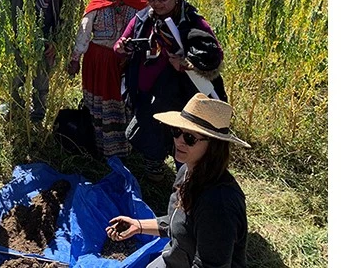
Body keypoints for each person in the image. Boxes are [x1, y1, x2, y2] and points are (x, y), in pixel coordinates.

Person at [114, 0, 226, 181]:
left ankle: (187, 178)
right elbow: (121, 42)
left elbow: (213, 56)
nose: (156, 2)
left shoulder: (193, 22)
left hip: (182, 98)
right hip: (148, 94)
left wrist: (187, 64)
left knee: (185, 137)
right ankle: (153, 166)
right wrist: (122, 47)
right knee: (150, 131)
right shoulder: (144, 17)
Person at [106, 93, 250, 268]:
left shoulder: (218, 204)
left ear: (213, 145)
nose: (179, 141)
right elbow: (180, 222)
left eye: (190, 138)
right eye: (177, 132)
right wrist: (138, 225)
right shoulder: (187, 171)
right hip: (175, 259)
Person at [67, 0, 147, 157]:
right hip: (98, 60)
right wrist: (76, 57)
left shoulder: (141, 4)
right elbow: (84, 30)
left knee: (123, 102)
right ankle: (97, 145)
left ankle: (123, 147)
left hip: (126, 62)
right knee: (99, 101)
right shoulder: (99, 1)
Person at [4, 0, 64, 123]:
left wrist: (55, 40)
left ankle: (38, 115)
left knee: (41, 80)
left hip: (47, 37)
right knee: (15, 77)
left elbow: (64, 10)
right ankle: (15, 110)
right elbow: (6, 1)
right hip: (18, 34)